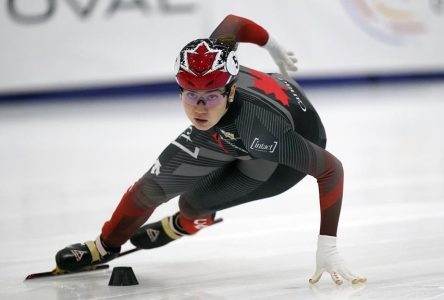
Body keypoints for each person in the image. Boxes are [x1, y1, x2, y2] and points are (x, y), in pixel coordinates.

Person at [56, 14, 366, 285]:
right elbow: (236, 23)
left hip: (283, 150)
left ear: (231, 90)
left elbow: (330, 169)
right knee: (148, 189)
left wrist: (327, 244)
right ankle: (103, 246)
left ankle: (187, 222)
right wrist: (271, 44)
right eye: (191, 95)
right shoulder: (212, 53)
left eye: (210, 96)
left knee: (194, 203)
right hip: (235, 125)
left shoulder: (259, 129)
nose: (199, 108)